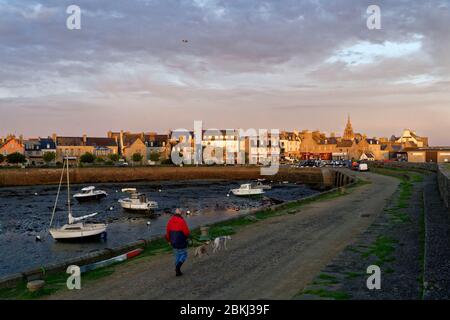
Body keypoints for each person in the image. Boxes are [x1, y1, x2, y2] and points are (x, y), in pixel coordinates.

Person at [165, 208, 190, 276]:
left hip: (173, 241)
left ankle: (177, 271)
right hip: (181, 240)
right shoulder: (182, 221)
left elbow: (167, 232)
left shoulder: (170, 221)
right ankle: (178, 267)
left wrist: (169, 240)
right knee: (184, 254)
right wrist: (187, 237)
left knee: (177, 255)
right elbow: (186, 232)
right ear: (181, 213)